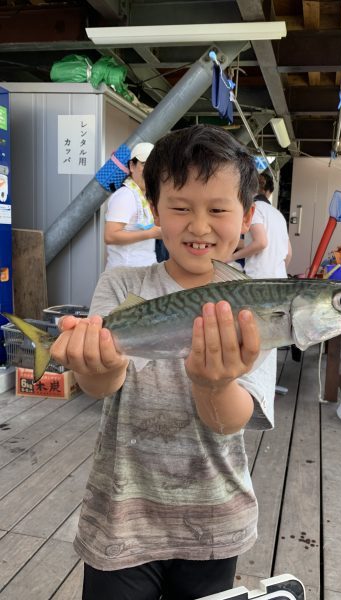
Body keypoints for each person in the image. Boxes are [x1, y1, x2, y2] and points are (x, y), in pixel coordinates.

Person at [50, 125, 277, 600]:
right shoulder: (120, 284)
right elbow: (103, 385)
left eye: (218, 210)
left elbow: (234, 418)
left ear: (247, 216)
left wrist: (213, 385)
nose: (199, 226)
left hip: (215, 517)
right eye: (179, 208)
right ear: (155, 211)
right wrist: (95, 362)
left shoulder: (256, 302)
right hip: (123, 516)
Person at [104, 142, 162, 269]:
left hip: (143, 270)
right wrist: (151, 233)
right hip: (126, 274)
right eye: (144, 164)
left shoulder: (143, 196)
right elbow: (110, 236)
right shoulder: (125, 195)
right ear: (132, 166)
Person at [230, 172, 292, 278]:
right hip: (280, 278)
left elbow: (261, 243)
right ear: (269, 192)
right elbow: (289, 253)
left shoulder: (255, 208)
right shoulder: (278, 215)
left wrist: (231, 257)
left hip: (258, 278)